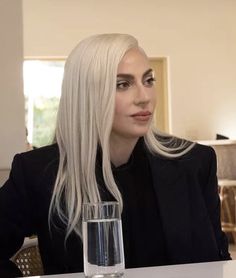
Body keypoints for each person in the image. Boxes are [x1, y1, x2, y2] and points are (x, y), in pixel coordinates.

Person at [0, 33, 231, 277]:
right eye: (123, 84)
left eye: (148, 80)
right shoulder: (39, 171)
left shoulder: (194, 162)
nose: (144, 98)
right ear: (87, 95)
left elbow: (218, 260)